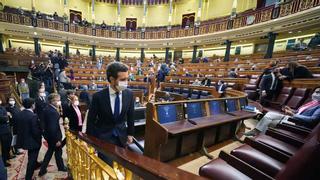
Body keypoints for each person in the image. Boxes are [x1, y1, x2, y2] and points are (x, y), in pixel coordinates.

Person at [87, 62, 135, 164]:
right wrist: (91, 141)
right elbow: (91, 121)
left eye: (127, 79)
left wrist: (130, 134)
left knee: (121, 166)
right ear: (112, 79)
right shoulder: (98, 96)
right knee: (107, 168)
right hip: (104, 138)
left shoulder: (129, 94)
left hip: (122, 137)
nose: (126, 82)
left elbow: (131, 116)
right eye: (122, 79)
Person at [245, 87, 320, 136]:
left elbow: (312, 120)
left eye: (318, 92)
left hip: (297, 123)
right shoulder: (312, 102)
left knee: (267, 121)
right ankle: (258, 133)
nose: (315, 94)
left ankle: (257, 133)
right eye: (315, 92)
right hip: (292, 117)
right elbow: (298, 111)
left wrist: (293, 115)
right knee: (269, 115)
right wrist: (291, 110)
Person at [38, 93, 66, 176]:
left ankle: (60, 167)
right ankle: (43, 170)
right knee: (51, 152)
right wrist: (56, 140)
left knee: (56, 151)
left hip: (50, 136)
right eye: (57, 100)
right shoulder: (52, 111)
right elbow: (52, 128)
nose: (59, 102)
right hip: (54, 137)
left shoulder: (49, 108)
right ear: (51, 101)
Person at [16, 98, 42, 180]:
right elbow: (35, 131)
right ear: (32, 105)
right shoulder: (33, 116)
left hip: (24, 140)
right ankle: (28, 177)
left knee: (31, 156)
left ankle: (36, 164)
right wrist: (39, 139)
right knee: (31, 160)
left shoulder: (19, 114)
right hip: (33, 141)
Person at [0, 99, 11, 167]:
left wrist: (6, 116)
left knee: (9, 143)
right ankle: (4, 161)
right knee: (4, 146)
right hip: (2, 130)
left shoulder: (2, 107)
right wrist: (7, 116)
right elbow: (1, 118)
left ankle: (8, 156)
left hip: (7, 128)